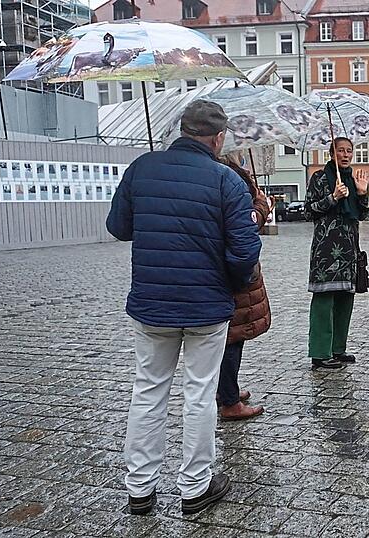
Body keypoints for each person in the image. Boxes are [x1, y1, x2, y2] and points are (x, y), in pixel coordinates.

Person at [106, 100, 261, 516]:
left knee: (148, 390)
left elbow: (118, 227)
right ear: (218, 137)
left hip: (152, 304)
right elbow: (245, 250)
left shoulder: (142, 168)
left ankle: (140, 488)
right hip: (206, 307)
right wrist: (233, 284)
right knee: (199, 393)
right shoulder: (225, 180)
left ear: (181, 130)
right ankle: (195, 485)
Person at [306, 137, 369, 369]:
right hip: (326, 249)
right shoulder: (319, 178)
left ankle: (337, 349)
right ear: (332, 153)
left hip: (349, 248)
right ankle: (320, 353)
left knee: (345, 300)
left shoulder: (352, 179)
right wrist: (333, 198)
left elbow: (362, 214)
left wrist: (361, 193)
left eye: (349, 151)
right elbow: (309, 211)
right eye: (341, 150)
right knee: (324, 300)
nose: (346, 155)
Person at [216, 156, 271, 420]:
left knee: (227, 338)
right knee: (232, 338)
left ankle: (226, 389)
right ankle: (229, 401)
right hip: (233, 276)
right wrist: (261, 205)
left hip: (219, 273)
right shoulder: (228, 182)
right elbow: (245, 224)